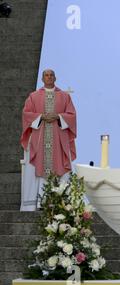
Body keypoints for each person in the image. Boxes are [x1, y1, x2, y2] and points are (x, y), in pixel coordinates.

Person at [20, 69, 77, 211]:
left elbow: (72, 115)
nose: (49, 77)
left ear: (55, 78)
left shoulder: (64, 96)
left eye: (51, 75)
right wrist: (41, 117)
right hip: (40, 138)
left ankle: (62, 203)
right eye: (46, 75)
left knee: (59, 166)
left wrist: (58, 116)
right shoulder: (33, 96)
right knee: (38, 167)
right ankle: (38, 203)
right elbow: (26, 114)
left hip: (58, 139)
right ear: (42, 78)